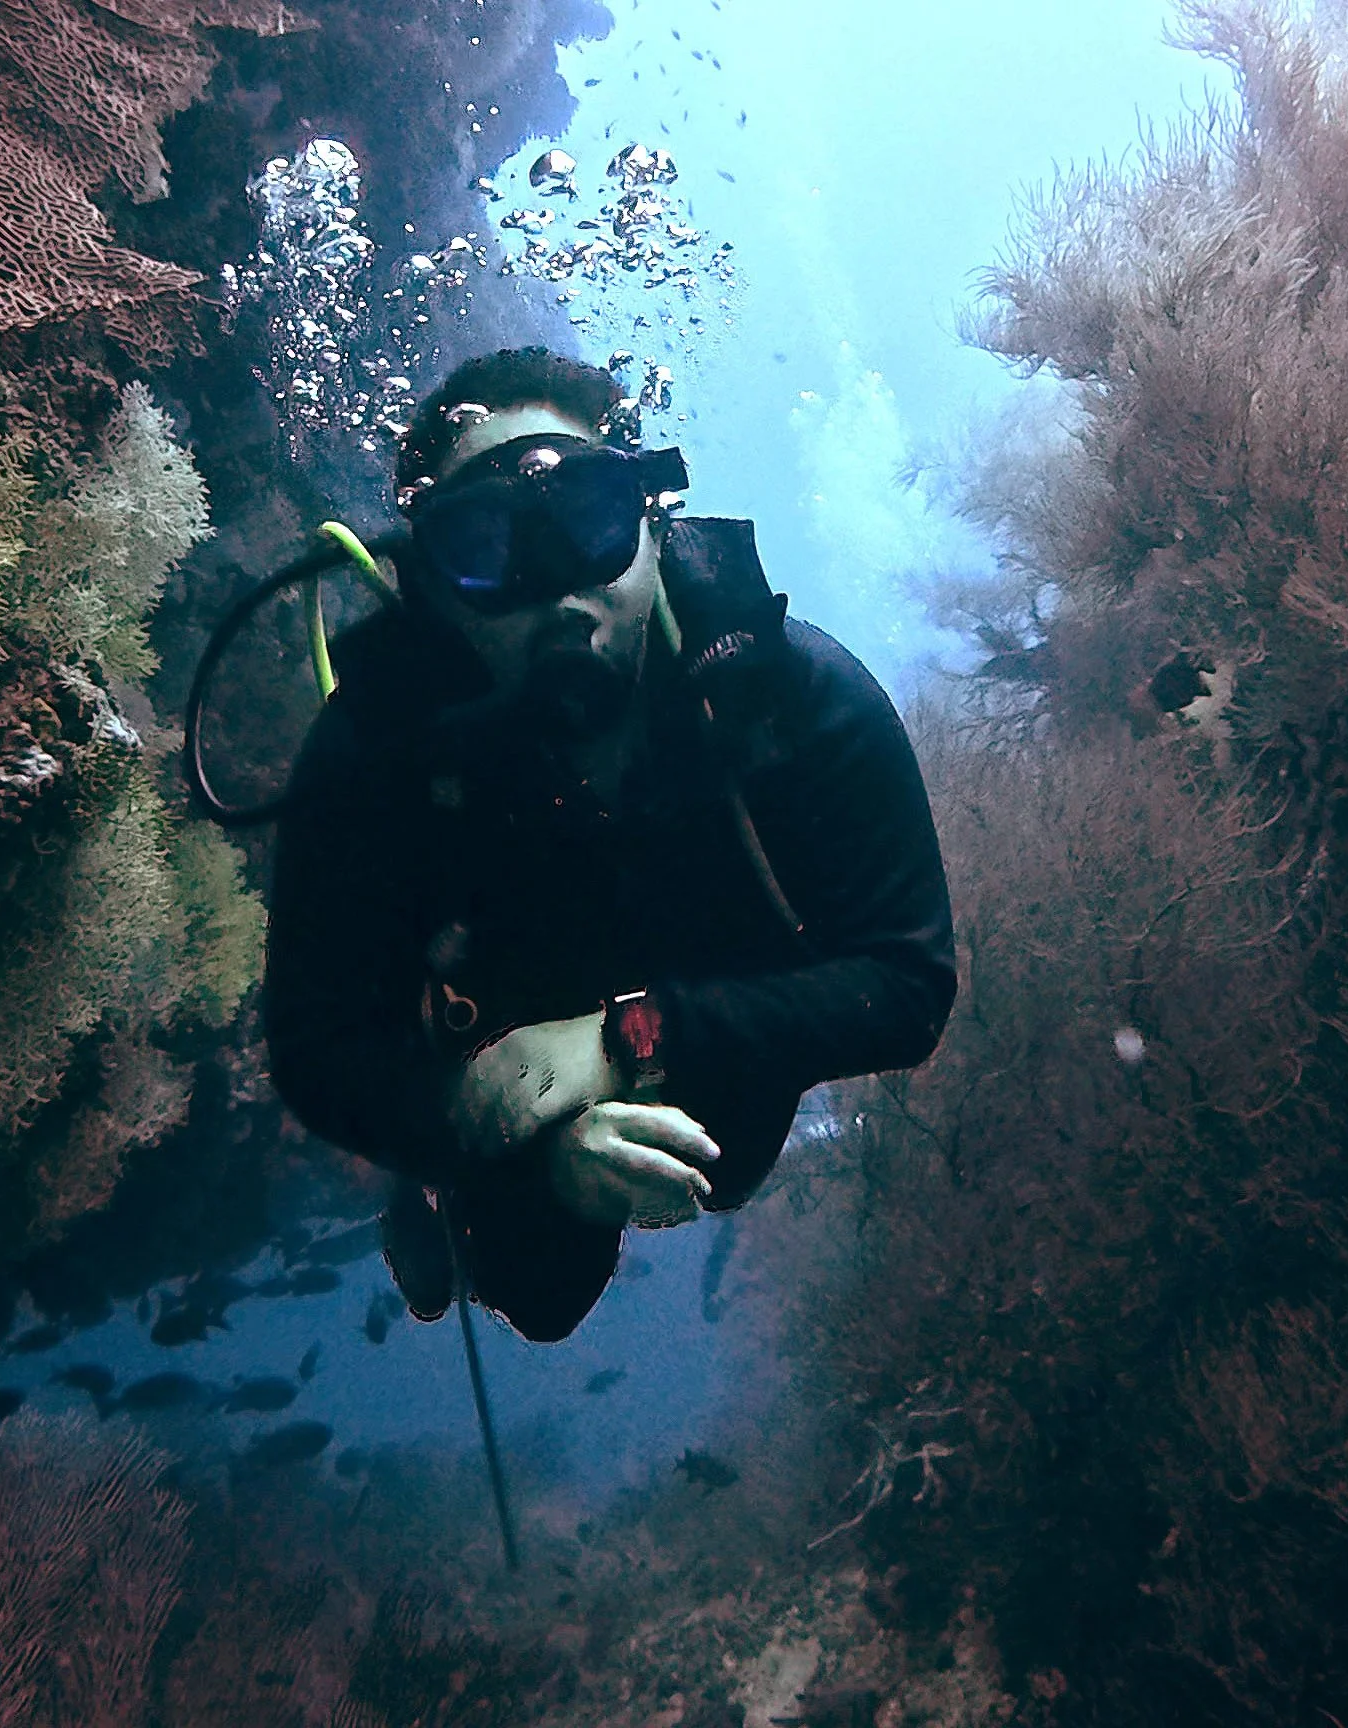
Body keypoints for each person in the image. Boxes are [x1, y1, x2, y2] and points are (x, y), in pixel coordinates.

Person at [263, 347, 956, 1342]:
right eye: (485, 547)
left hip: (713, 1036)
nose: (553, 589)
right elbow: (316, 1047)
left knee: (731, 1166)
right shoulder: (376, 748)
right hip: (503, 1062)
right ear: (435, 588)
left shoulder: (792, 696)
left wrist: (623, 1043)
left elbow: (907, 985)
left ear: (652, 522)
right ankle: (435, 1214)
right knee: (541, 1296)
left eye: (586, 517)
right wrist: (479, 1125)